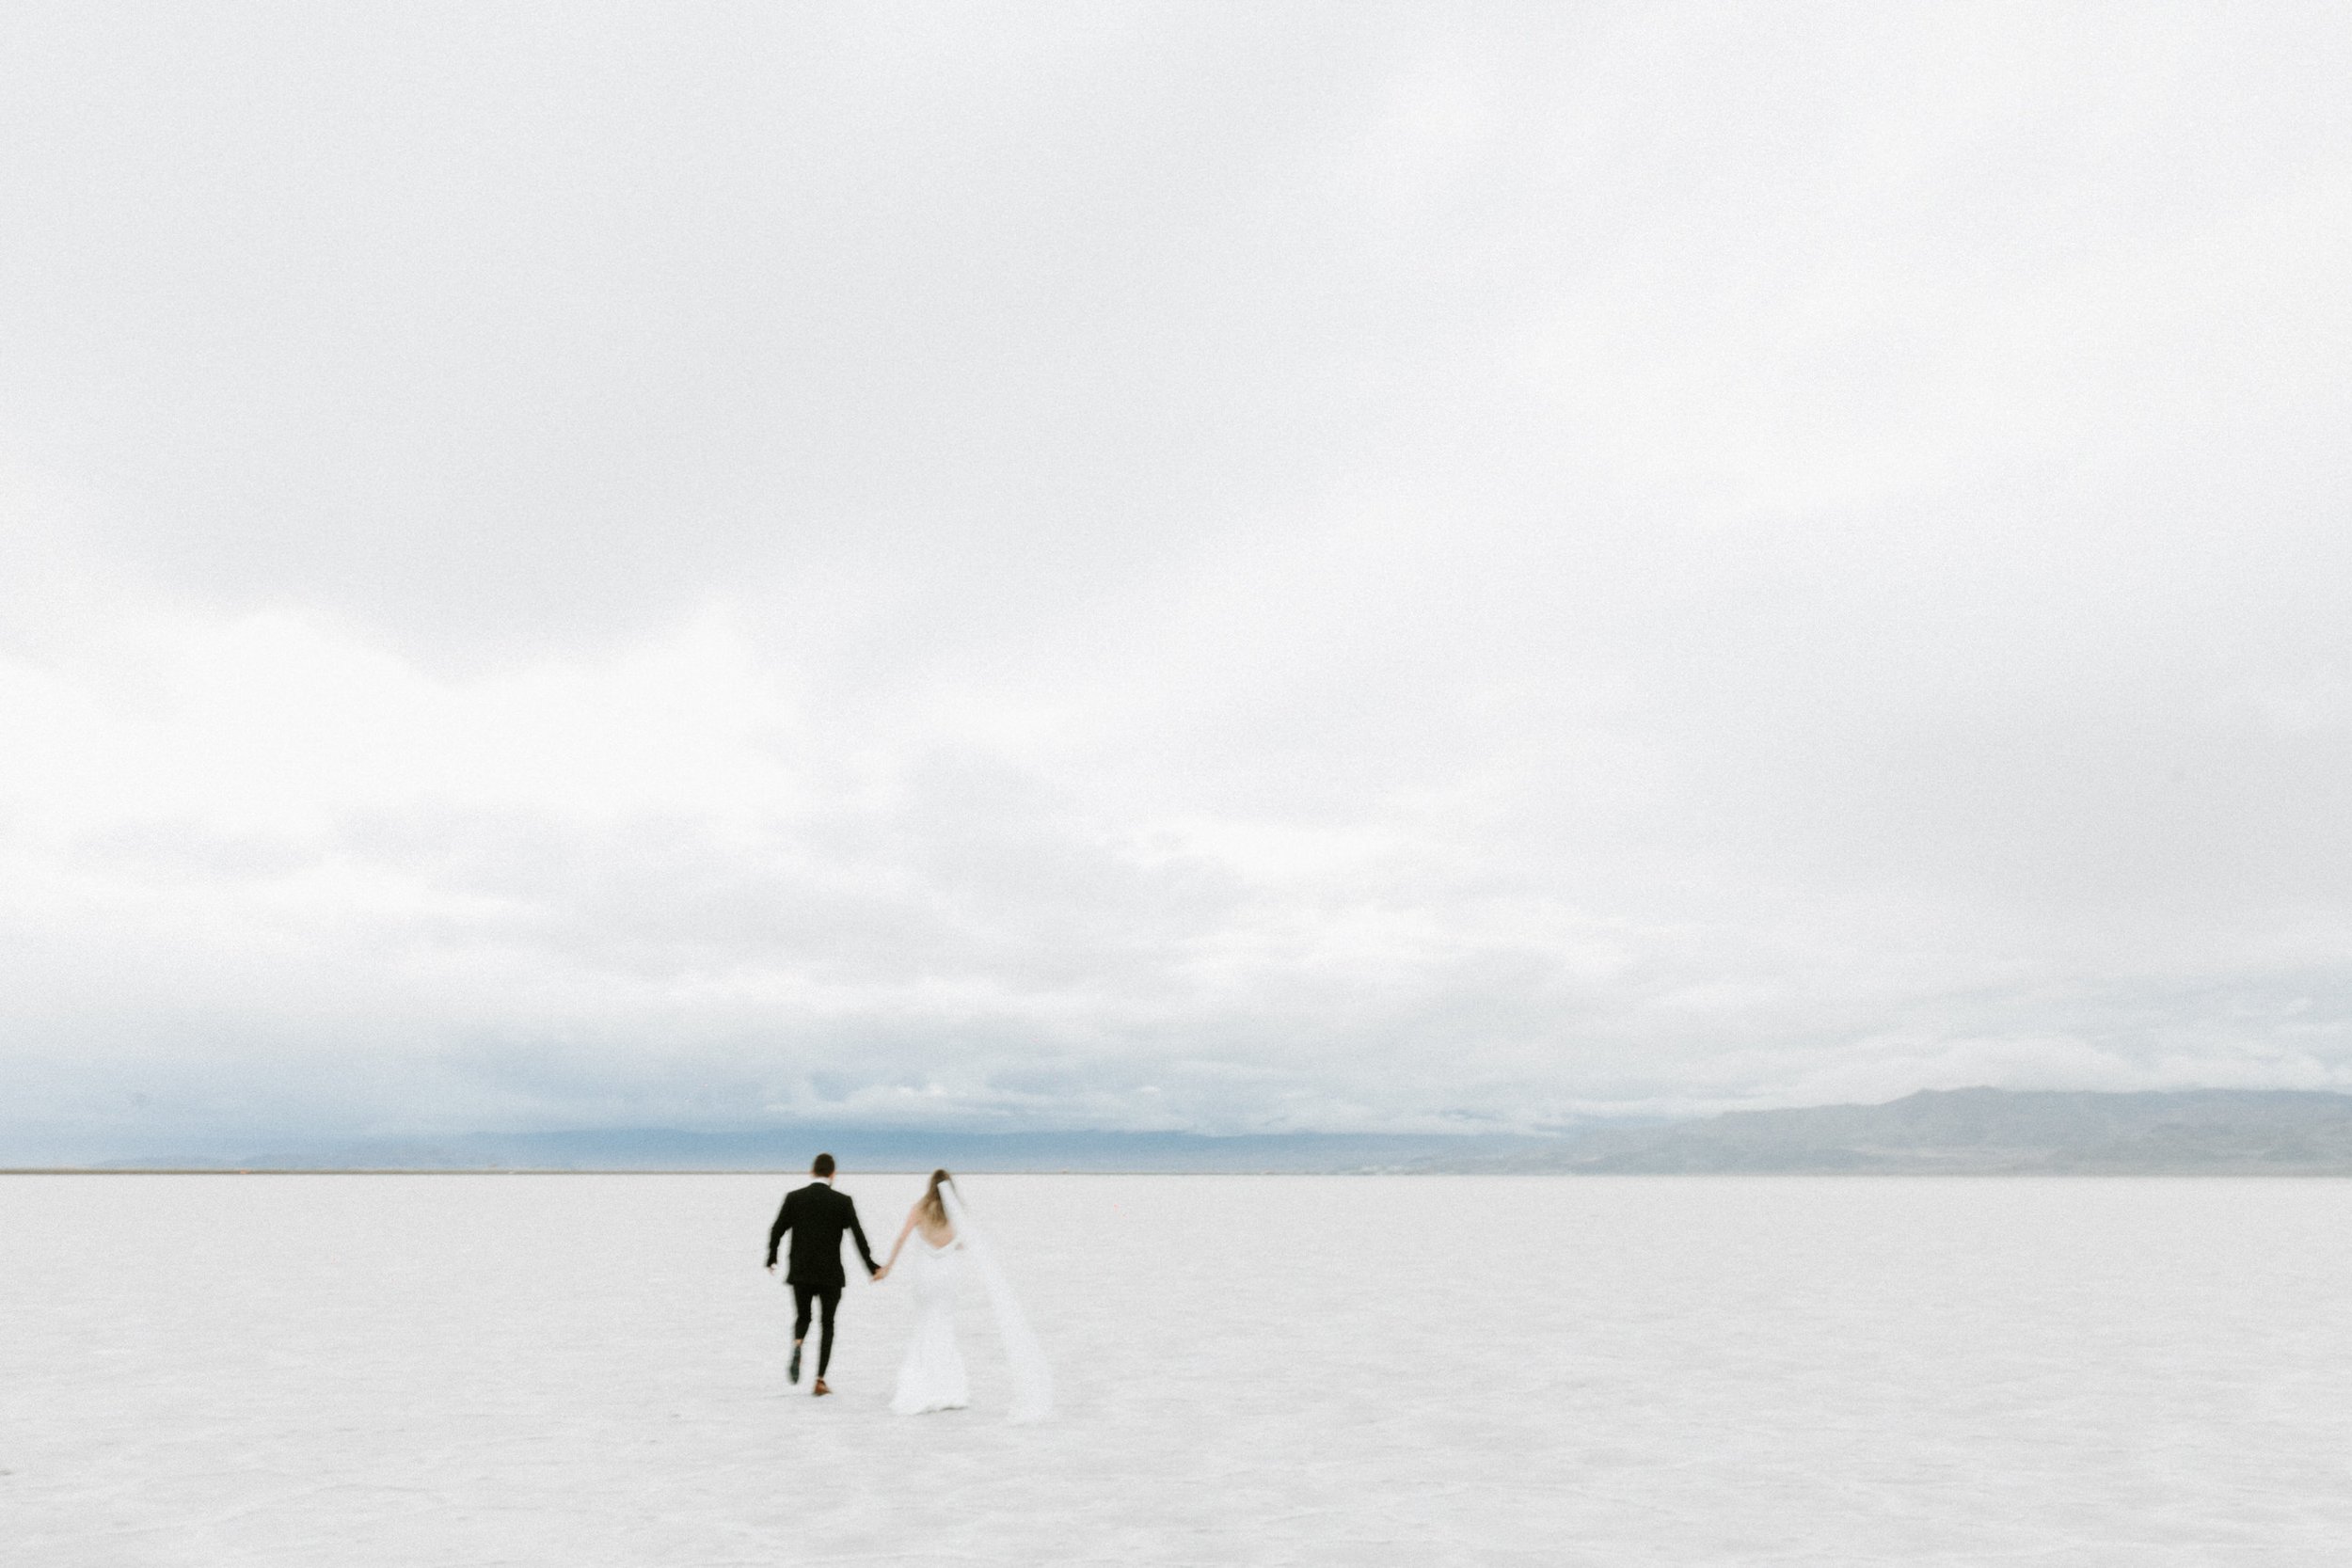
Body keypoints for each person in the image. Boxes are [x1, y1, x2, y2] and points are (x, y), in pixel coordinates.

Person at [764, 1152, 878, 1397]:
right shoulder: (842, 1201)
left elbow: (777, 1229)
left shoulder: (794, 1198)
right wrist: (871, 1266)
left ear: (812, 1172)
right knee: (828, 1324)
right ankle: (820, 1380)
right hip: (830, 1275)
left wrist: (772, 1257)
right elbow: (858, 1237)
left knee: (803, 1317)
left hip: (801, 1272)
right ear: (833, 1174)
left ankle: (798, 1344)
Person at [874, 1168, 969, 1415]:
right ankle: (947, 1387)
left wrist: (888, 1267)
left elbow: (901, 1239)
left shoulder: (919, 1208)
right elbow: (965, 1243)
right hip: (948, 1275)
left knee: (925, 1323)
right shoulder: (957, 1211)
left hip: (925, 1274)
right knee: (945, 1325)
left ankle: (923, 1382)